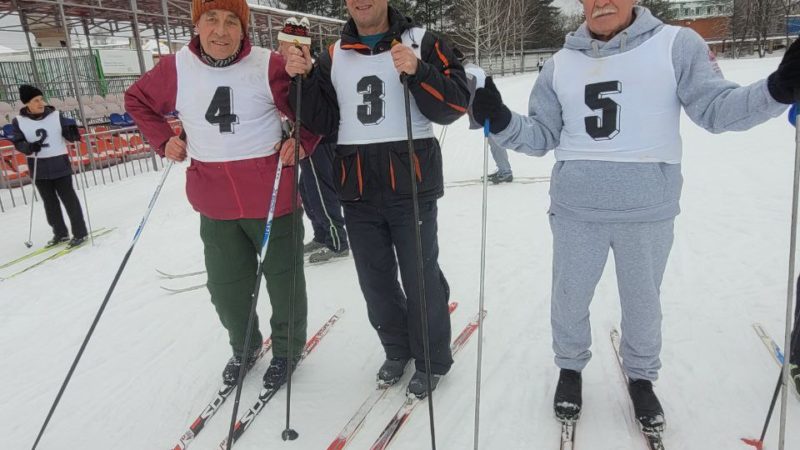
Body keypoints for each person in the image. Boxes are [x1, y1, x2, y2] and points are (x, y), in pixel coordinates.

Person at [472, 0, 798, 431]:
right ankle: (570, 368)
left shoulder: (677, 44)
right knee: (569, 296)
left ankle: (642, 378)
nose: (602, 2)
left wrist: (776, 90)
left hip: (647, 209)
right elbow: (541, 136)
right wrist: (501, 120)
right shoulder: (558, 64)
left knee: (643, 302)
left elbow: (717, 109)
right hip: (577, 209)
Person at [125, 0, 319, 389]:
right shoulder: (176, 67)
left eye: (232, 21)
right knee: (227, 288)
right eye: (211, 19)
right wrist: (164, 139)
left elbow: (310, 108)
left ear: (243, 29)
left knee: (285, 283)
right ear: (196, 25)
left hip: (271, 198)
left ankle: (286, 349)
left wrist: (302, 141)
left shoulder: (267, 64)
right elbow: (137, 100)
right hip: (214, 202)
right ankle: (244, 346)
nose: (220, 31)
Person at [284, 0, 469, 397]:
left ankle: (432, 358)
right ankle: (397, 348)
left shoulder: (423, 42)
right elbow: (322, 121)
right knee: (375, 279)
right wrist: (302, 80)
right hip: (358, 187)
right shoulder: (333, 55)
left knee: (420, 275)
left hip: (411, 182)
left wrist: (420, 72)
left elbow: (455, 104)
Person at [277, 17, 350, 263]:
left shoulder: (313, 70)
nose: (282, 50)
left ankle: (337, 241)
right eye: (282, 44)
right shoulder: (287, 70)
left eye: (287, 45)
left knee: (321, 192)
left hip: (320, 141)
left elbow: (317, 109)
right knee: (307, 192)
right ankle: (322, 234)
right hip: (304, 142)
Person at [11, 84, 87, 248]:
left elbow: (70, 133)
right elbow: (18, 142)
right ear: (27, 103)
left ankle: (80, 232)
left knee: (69, 200)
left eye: (41, 99)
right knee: (50, 204)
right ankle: (60, 233)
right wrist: (28, 147)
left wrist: (73, 133)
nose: (41, 103)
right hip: (39, 168)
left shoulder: (56, 116)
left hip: (60, 165)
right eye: (36, 100)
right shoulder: (19, 121)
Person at [452, 47, 513, 184]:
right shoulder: (473, 68)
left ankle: (505, 172)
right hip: (490, 106)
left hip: (488, 109)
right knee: (494, 141)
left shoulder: (467, 72)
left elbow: (467, 95)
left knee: (495, 142)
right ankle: (504, 169)